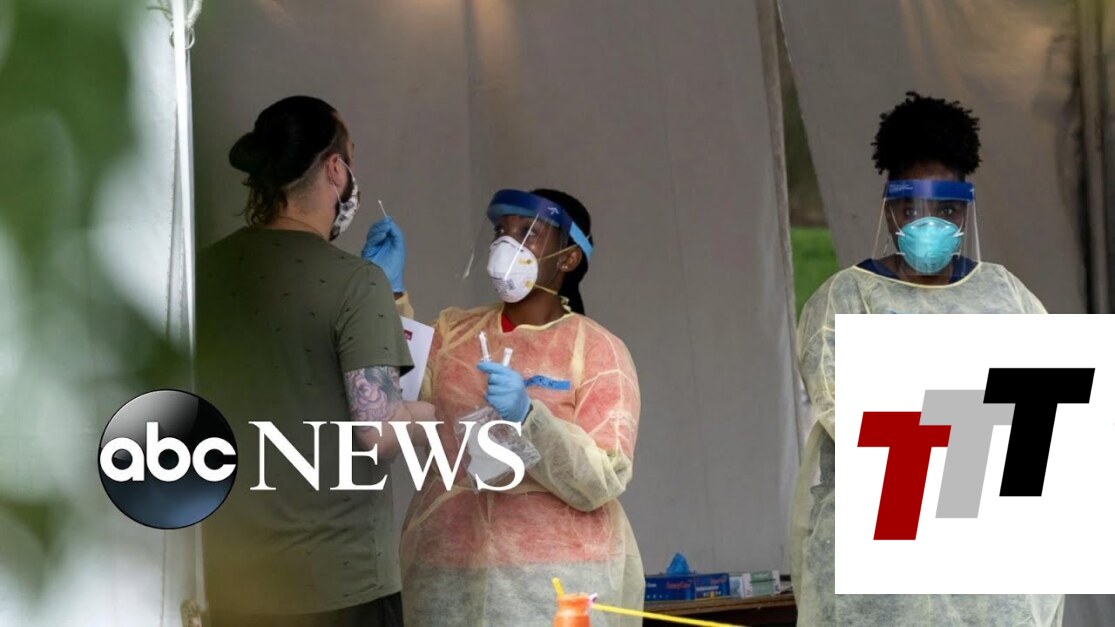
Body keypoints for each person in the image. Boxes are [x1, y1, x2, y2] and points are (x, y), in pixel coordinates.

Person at [790, 92, 1060, 626]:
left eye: (948, 209)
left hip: (989, 574)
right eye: (913, 208)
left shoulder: (1006, 297)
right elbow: (858, 421)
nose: (930, 222)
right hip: (883, 578)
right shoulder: (846, 301)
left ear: (966, 209)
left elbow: (1046, 413)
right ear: (890, 208)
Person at [197, 95, 435, 627]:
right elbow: (378, 433)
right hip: (341, 584)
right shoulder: (357, 283)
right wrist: (434, 415)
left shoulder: (204, 272)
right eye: (350, 158)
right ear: (334, 169)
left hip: (232, 583)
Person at [364, 188, 644, 625]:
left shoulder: (596, 350)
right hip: (448, 569)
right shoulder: (453, 334)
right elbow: (386, 399)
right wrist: (386, 297)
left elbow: (603, 477)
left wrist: (530, 419)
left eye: (529, 233)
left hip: (557, 582)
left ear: (569, 258)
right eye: (501, 231)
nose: (508, 244)